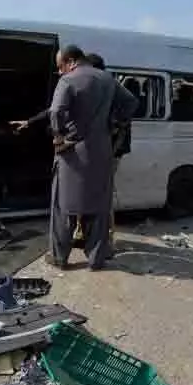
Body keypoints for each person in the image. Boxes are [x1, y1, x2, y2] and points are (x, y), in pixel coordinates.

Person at [47, 45, 137, 270]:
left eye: (60, 67)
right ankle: (96, 259)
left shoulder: (68, 81)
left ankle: (60, 257)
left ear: (70, 61)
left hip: (72, 156)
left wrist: (59, 138)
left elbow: (56, 111)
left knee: (64, 206)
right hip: (102, 152)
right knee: (98, 206)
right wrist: (114, 124)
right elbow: (131, 103)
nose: (59, 72)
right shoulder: (107, 79)